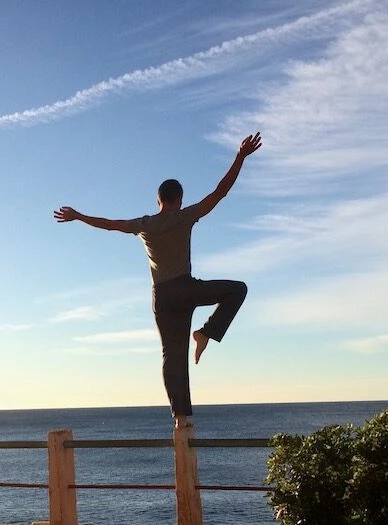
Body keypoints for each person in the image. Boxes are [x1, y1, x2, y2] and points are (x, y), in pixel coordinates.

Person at [54, 132, 262, 429]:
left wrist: (78, 215)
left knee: (171, 355)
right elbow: (220, 192)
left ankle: (180, 418)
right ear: (179, 199)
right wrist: (240, 157)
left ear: (158, 199)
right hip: (187, 289)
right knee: (237, 290)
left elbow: (110, 225)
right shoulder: (185, 216)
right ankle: (206, 333)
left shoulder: (145, 225)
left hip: (163, 296)